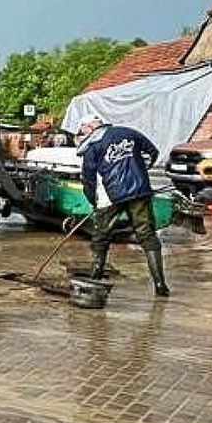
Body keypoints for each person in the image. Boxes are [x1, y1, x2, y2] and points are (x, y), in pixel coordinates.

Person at [75, 115, 169, 297]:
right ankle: (160, 284)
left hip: (111, 196)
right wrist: (141, 171)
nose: (82, 133)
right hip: (140, 191)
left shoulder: (92, 144)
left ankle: (95, 275)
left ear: (89, 126)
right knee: (147, 234)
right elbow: (153, 153)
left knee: (101, 235)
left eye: (82, 129)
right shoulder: (129, 132)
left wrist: (92, 201)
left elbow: (88, 178)